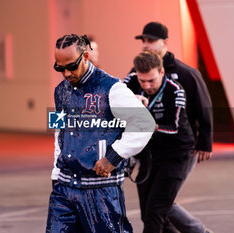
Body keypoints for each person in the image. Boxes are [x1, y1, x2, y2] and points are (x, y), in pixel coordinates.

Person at [46, 34, 155, 233]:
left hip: (101, 190)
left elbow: (144, 122)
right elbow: (59, 133)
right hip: (64, 189)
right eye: (60, 68)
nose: (66, 73)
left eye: (71, 66)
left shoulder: (111, 88)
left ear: (85, 57)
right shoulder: (60, 91)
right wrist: (56, 175)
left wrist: (113, 157)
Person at [125, 22, 213, 233]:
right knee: (157, 207)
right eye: (143, 41)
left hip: (181, 146)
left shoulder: (185, 74)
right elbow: (119, 95)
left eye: (150, 40)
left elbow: (204, 107)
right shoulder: (138, 72)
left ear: (164, 42)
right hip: (151, 150)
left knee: (160, 205)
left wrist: (205, 141)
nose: (145, 45)